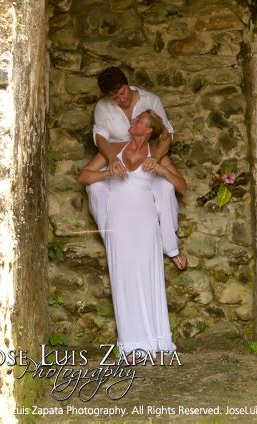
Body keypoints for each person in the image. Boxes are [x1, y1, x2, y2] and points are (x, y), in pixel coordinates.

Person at [78, 110, 186, 357]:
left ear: (148, 130)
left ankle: (156, 338)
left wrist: (161, 169)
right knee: (122, 276)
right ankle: (132, 342)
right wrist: (109, 170)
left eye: (138, 120)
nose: (132, 121)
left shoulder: (155, 153)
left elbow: (181, 186)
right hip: (118, 219)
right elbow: (83, 176)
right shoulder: (113, 149)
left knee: (148, 274)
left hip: (146, 220)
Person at [89, 66, 187, 269]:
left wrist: (157, 157)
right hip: (117, 158)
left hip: (148, 156)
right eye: (114, 97)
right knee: (95, 188)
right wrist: (112, 159)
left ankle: (171, 247)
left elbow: (166, 133)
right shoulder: (103, 107)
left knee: (166, 188)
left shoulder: (150, 100)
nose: (121, 99)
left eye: (122, 93)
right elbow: (100, 137)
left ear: (128, 85)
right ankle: (113, 241)